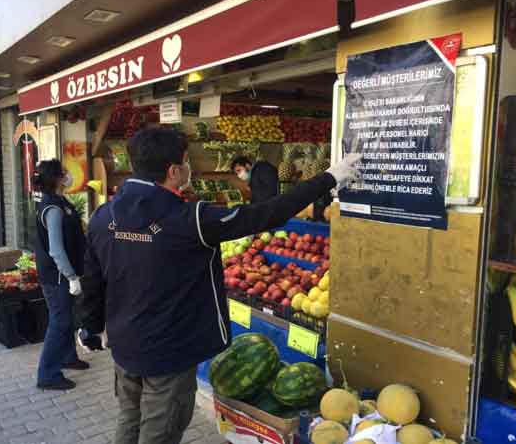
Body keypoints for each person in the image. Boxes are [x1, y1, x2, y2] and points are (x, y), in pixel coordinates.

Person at [75, 128, 361, 444]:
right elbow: (264, 214)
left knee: (129, 423)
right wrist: (329, 177)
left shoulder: (103, 216)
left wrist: (90, 326)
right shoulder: (190, 218)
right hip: (168, 353)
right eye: (186, 162)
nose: (189, 170)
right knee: (160, 433)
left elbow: (92, 278)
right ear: (173, 171)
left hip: (125, 345)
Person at [32, 159, 89, 391]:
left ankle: (68, 357)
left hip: (64, 275)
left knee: (68, 319)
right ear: (56, 178)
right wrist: (71, 276)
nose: (68, 175)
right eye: (64, 173)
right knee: (60, 322)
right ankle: (47, 374)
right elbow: (56, 248)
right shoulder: (52, 208)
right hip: (57, 278)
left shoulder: (59, 201)